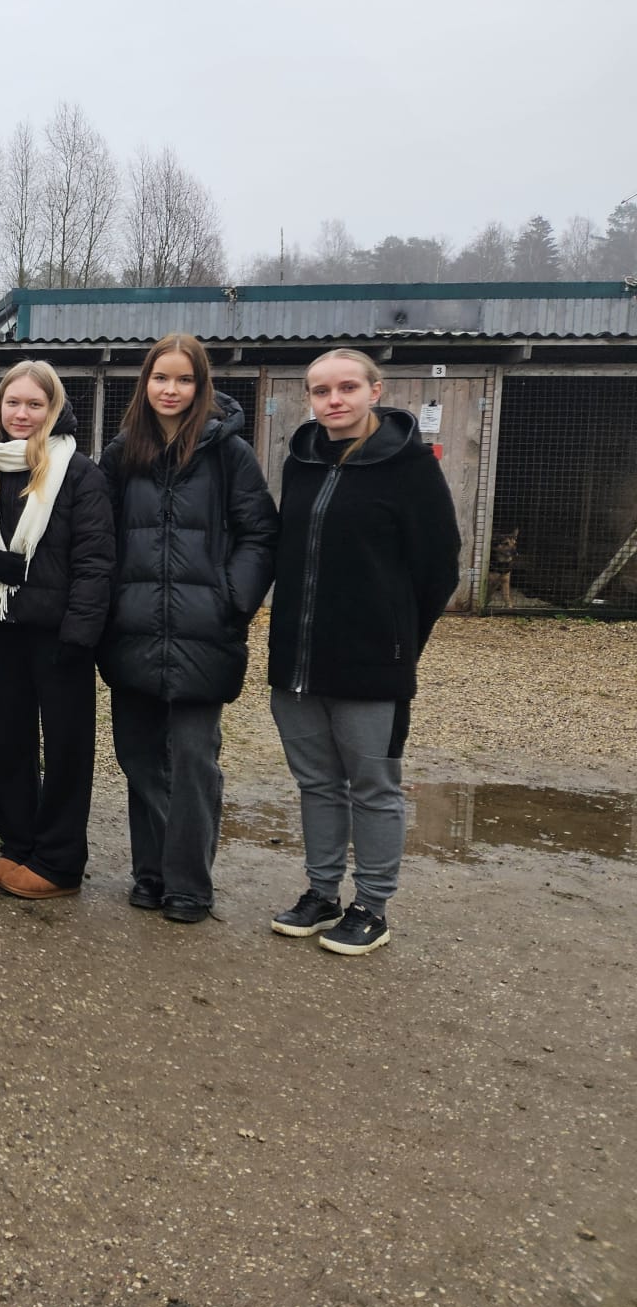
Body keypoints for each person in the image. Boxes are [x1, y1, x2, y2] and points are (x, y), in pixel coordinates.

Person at [266, 348, 460, 956]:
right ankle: (322, 894)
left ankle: (372, 906)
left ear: (375, 391)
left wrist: (398, 641)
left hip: (373, 664)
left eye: (347, 387)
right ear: (309, 399)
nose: (334, 400)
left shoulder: (411, 468)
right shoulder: (301, 462)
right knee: (316, 782)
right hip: (297, 662)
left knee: (373, 786)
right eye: (321, 390)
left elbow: (438, 568)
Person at [99, 335, 278, 924]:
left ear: (201, 386)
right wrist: (111, 603)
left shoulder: (230, 455)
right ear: (145, 383)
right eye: (160, 378)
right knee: (139, 757)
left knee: (194, 761)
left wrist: (234, 599)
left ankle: (189, 885)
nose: (170, 390)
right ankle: (151, 874)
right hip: (134, 629)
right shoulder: (123, 453)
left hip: (205, 632)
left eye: (183, 380)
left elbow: (260, 533)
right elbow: (100, 535)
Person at [0, 360, 114, 900]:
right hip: (1, 625)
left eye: (35, 404)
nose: (22, 414)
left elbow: (95, 561)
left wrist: (80, 635)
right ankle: (18, 845)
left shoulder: (78, 473)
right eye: (13, 402)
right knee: (10, 740)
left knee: (66, 746)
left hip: (59, 632)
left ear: (53, 409)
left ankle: (59, 861)